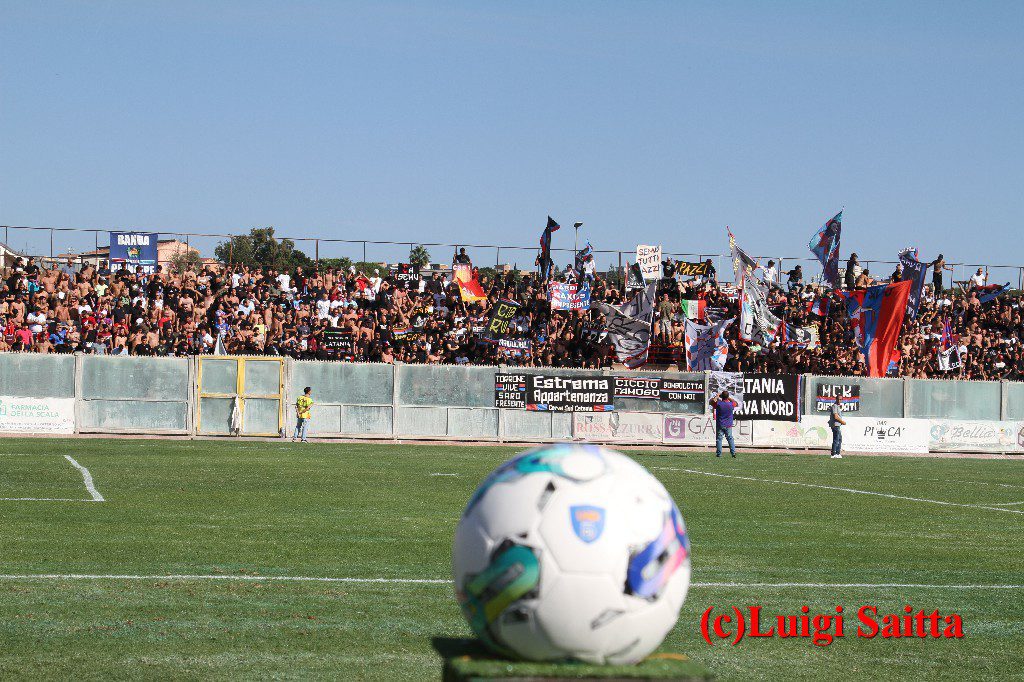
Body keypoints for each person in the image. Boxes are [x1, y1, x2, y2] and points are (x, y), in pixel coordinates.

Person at [709, 390, 739, 458]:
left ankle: (719, 454)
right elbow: (736, 403)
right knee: (730, 438)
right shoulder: (731, 404)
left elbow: (711, 402)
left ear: (721, 397)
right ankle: (733, 453)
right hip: (728, 425)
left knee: (719, 439)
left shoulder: (719, 404)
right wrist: (728, 397)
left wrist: (717, 396)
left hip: (720, 424)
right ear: (727, 397)